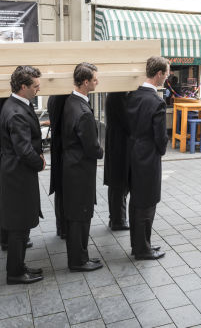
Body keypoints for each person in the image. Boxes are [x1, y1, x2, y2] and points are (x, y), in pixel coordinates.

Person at [0, 66, 45, 285]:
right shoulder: (16, 111)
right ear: (23, 86)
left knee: (21, 224)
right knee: (19, 226)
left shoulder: (16, 104)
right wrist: (40, 162)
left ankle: (19, 266)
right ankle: (15, 272)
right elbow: (24, 149)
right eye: (35, 86)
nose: (38, 89)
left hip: (18, 173)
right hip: (18, 175)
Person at [125, 56, 169, 260]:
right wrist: (161, 150)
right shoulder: (156, 102)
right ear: (159, 74)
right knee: (148, 203)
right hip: (148, 156)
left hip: (133, 153)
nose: (167, 77)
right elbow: (160, 137)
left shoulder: (133, 95)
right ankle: (143, 248)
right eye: (166, 73)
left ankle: (140, 245)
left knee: (136, 202)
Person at [61, 62, 104, 272]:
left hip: (71, 167)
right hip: (80, 170)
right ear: (85, 82)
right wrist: (101, 151)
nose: (97, 82)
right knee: (81, 216)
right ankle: (78, 261)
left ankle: (81, 256)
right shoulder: (83, 111)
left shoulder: (70, 102)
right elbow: (91, 146)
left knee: (76, 215)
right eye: (95, 79)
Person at [104, 92, 130, 231]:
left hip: (115, 142)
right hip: (120, 145)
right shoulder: (119, 96)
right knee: (119, 183)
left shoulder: (114, 95)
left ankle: (115, 218)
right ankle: (118, 220)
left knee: (116, 184)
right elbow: (128, 121)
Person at [47, 94, 69, 239]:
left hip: (58, 147)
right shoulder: (62, 97)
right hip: (63, 149)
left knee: (61, 191)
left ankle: (61, 227)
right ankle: (64, 228)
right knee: (63, 190)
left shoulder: (53, 97)